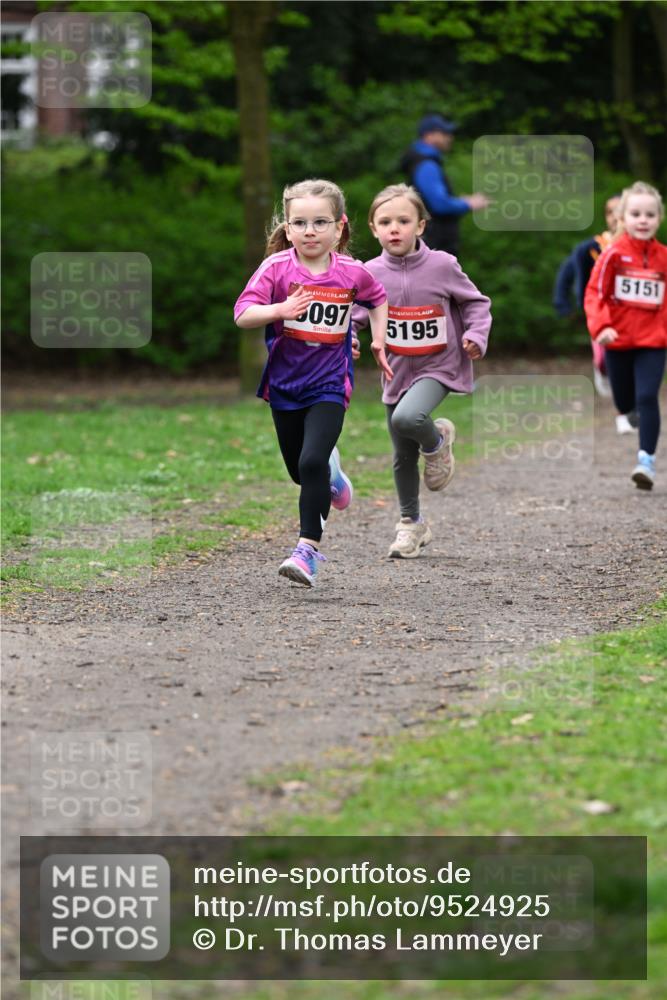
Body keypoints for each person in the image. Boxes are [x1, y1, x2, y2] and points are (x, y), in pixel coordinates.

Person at [234, 178, 390, 586]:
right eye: (300, 223)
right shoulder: (277, 268)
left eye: (320, 222)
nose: (310, 231)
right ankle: (334, 478)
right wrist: (280, 308)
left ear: (339, 228)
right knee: (301, 472)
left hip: (330, 385)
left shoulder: (352, 272)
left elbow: (376, 299)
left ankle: (306, 552)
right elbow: (242, 314)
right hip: (285, 386)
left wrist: (379, 339)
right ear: (287, 229)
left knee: (310, 460)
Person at [353, 183, 491, 558]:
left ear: (421, 226)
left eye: (403, 220)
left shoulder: (442, 265)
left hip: (440, 364)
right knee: (401, 455)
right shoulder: (368, 273)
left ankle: (437, 442)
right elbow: (356, 315)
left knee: (408, 418)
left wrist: (477, 335)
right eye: (385, 221)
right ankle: (411, 525)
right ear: (373, 228)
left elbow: (476, 304)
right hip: (395, 370)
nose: (394, 228)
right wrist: (350, 335)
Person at [584, 181, 667, 490]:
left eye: (649, 214)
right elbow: (595, 293)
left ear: (658, 218)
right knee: (624, 399)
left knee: (647, 397)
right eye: (635, 214)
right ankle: (628, 410)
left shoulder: (664, 257)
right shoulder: (612, 255)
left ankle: (646, 459)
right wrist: (601, 326)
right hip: (616, 340)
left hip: (653, 343)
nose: (643, 220)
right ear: (622, 218)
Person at [553, 194, 637, 433]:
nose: (616, 218)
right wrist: (563, 303)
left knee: (634, 359)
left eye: (622, 212)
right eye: (611, 212)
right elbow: (567, 273)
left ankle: (629, 407)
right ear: (606, 217)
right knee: (604, 360)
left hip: (633, 316)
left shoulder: (643, 248)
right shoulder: (591, 248)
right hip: (601, 315)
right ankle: (604, 371)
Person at [400, 113, 489, 257]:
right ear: (429, 136)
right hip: (434, 245)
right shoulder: (426, 164)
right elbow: (439, 204)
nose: (450, 137)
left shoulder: (423, 161)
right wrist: (468, 203)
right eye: (444, 133)